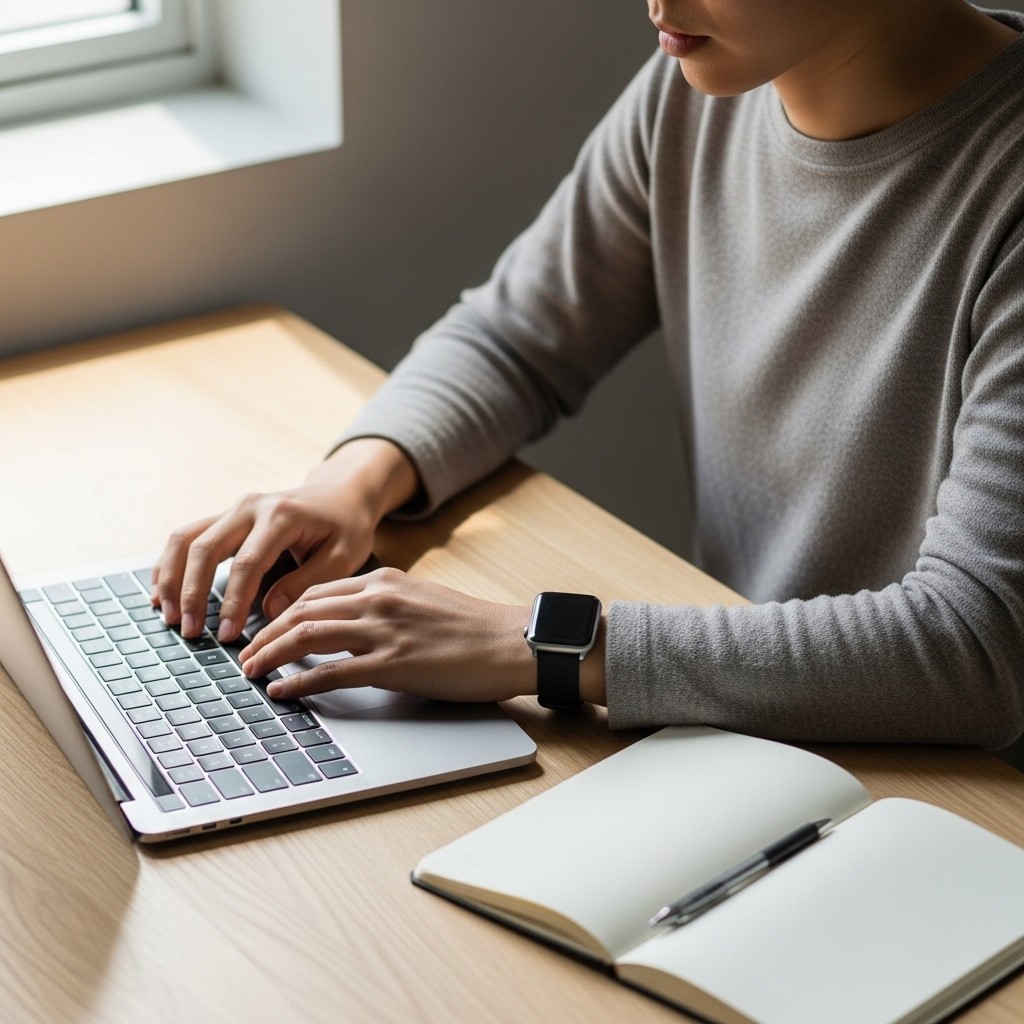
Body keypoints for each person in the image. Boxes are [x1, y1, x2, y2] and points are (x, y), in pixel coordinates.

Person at [152, 0, 1024, 748]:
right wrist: (351, 484)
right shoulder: (698, 90)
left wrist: (542, 644)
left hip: (964, 800)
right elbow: (517, 336)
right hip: (758, 729)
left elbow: (975, 646)